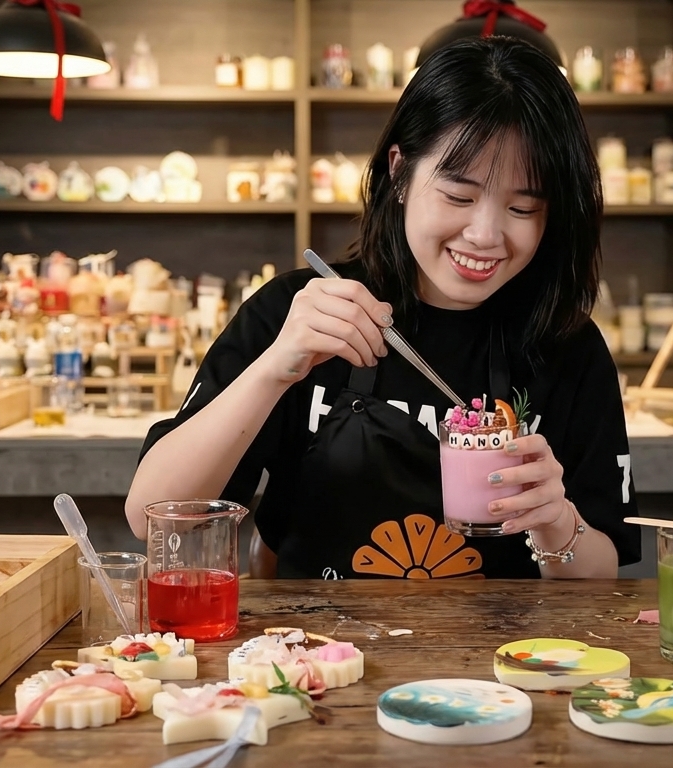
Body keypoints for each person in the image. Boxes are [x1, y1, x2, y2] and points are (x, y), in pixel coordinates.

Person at [128, 36, 639, 579]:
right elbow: (149, 518)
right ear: (399, 172)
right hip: (315, 635)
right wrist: (274, 369)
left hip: (503, 638)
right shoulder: (300, 314)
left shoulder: (568, 346)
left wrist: (556, 521)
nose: (485, 235)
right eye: (458, 197)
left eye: (522, 208)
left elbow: (601, 580)